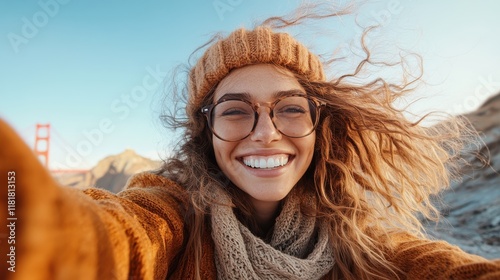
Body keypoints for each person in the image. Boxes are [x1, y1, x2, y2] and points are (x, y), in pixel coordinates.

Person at [1, 5, 499, 280]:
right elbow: (106, 239)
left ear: (319, 126)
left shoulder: (360, 237)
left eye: (290, 108)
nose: (265, 132)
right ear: (206, 133)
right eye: (236, 110)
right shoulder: (172, 213)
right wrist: (29, 225)